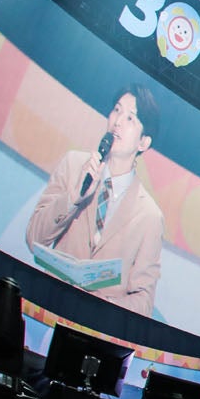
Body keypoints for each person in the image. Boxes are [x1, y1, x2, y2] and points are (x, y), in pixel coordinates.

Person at [25, 85, 165, 316]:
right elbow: (34, 239)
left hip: (94, 330)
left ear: (143, 142)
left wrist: (99, 306)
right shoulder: (73, 166)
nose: (118, 121)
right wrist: (73, 198)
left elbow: (143, 300)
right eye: (116, 110)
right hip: (45, 313)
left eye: (130, 118)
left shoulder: (150, 216)